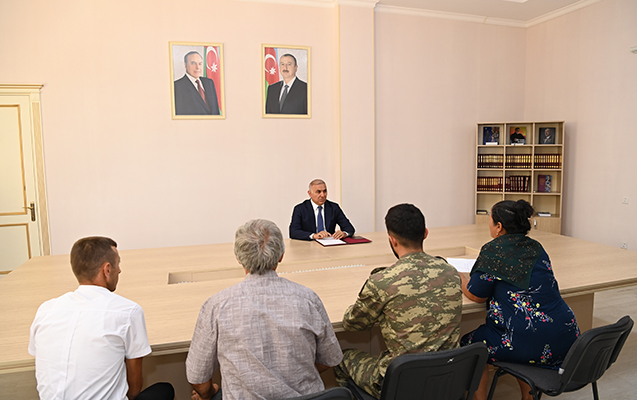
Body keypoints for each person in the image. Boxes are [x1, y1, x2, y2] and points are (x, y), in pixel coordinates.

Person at [186, 219, 343, 400]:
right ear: (281, 255)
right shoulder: (308, 299)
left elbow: (198, 377)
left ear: (238, 258)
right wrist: (297, 377)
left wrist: (210, 394)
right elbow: (330, 358)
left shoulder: (217, 306)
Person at [334, 204, 463, 399]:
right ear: (425, 233)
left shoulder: (383, 281)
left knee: (341, 359)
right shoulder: (450, 272)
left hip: (402, 382)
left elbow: (352, 324)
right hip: (447, 377)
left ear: (392, 240)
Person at [460, 200, 580, 400]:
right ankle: (529, 396)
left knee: (472, 344)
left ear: (499, 226)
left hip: (524, 340)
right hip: (566, 337)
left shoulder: (493, 250)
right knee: (523, 334)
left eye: (490, 221)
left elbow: (476, 294)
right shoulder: (536, 247)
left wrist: (461, 279)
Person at [28, 237, 174, 400]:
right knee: (165, 389)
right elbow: (134, 388)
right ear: (107, 269)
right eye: (118, 264)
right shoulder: (128, 311)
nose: (120, 270)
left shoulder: (46, 310)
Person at [289, 179, 355, 240]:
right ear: (310, 194)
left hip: (330, 244)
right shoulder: (300, 209)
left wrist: (344, 233)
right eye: (318, 192)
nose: (322, 195)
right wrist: (314, 236)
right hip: (309, 245)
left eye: (324, 191)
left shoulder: (333, 207)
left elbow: (350, 228)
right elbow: (293, 232)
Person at [174, 51, 220, 115]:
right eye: (193, 63)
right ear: (185, 65)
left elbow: (215, 110)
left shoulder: (209, 83)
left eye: (200, 63)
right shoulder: (177, 86)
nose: (197, 67)